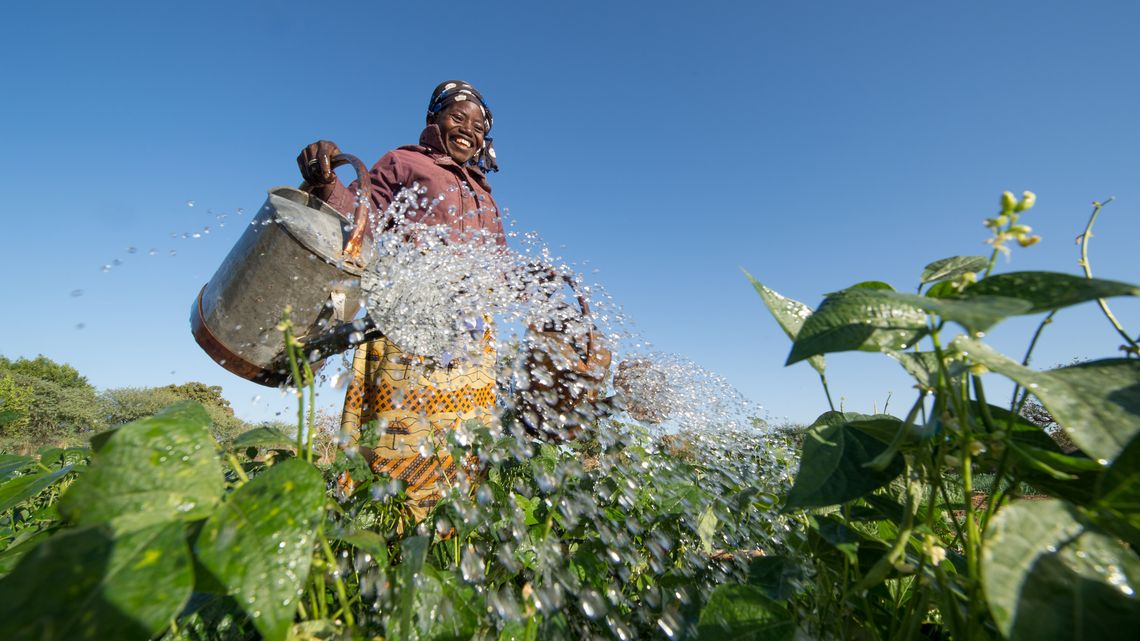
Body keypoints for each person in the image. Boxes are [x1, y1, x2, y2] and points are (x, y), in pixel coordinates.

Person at [297, 81, 505, 524]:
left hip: (471, 333)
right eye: (457, 117)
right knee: (402, 433)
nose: (468, 129)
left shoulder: (485, 193)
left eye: (479, 125)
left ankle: (454, 539)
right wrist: (326, 182)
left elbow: (498, 267)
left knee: (466, 442)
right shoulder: (404, 162)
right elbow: (360, 218)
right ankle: (387, 535)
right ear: (435, 120)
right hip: (412, 316)